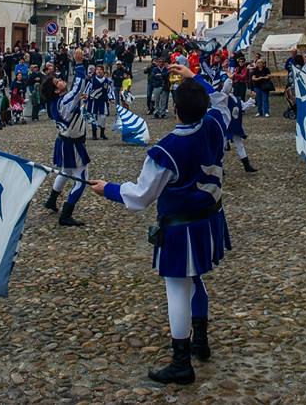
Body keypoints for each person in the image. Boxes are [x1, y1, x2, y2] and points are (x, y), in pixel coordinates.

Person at [89, 64, 231, 385]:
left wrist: (107, 188)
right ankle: (201, 342)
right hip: (208, 220)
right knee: (196, 281)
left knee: (177, 289)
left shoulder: (165, 150)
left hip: (181, 228)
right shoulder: (215, 126)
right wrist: (194, 77)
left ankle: (182, 362)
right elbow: (221, 100)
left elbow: (140, 196)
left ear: (175, 109)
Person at [41, 49, 93, 226]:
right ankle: (66, 214)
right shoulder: (64, 101)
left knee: (66, 171)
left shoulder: (57, 103)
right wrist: (78, 63)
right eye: (58, 82)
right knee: (82, 177)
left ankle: (51, 199)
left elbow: (75, 97)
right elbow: (78, 85)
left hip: (63, 140)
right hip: (73, 143)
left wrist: (79, 100)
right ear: (56, 90)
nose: (62, 80)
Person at [87, 65, 113, 141]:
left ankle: (102, 133)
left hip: (103, 101)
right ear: (95, 71)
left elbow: (109, 90)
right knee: (93, 117)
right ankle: (94, 134)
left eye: (100, 69)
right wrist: (85, 99)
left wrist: (111, 98)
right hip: (93, 102)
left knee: (103, 117)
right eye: (97, 69)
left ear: (103, 71)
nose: (99, 71)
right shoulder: (92, 80)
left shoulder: (107, 81)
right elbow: (87, 90)